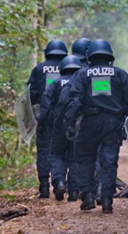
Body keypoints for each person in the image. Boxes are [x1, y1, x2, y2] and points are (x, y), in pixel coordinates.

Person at [64, 39, 128, 213]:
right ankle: (106, 200)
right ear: (109, 56)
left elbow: (74, 101)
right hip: (113, 123)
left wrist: (69, 123)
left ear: (90, 57)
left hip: (90, 122)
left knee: (85, 158)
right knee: (109, 161)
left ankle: (88, 195)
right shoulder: (120, 74)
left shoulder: (82, 75)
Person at [27, 40, 68, 198]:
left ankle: (44, 187)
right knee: (63, 150)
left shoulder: (39, 69)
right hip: (65, 114)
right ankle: (61, 182)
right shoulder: (70, 68)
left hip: (45, 115)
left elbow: (31, 94)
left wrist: (37, 115)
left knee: (44, 150)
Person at [41, 55, 82, 201]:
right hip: (78, 126)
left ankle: (59, 182)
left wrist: (42, 124)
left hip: (58, 126)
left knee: (56, 154)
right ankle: (74, 192)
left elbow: (45, 103)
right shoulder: (82, 82)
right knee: (74, 157)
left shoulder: (56, 82)